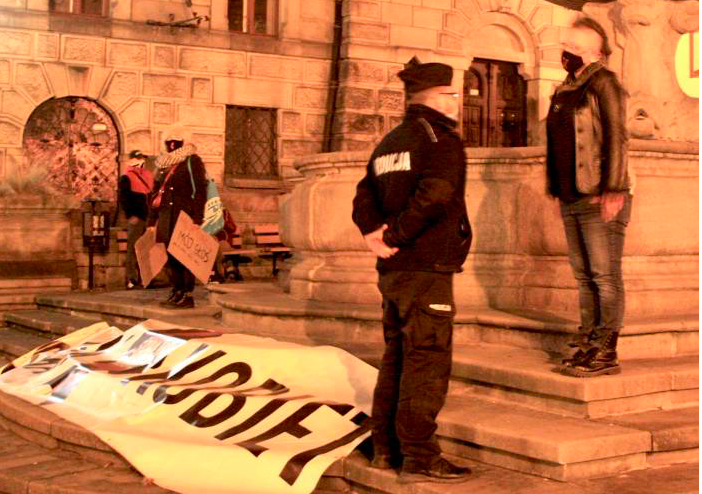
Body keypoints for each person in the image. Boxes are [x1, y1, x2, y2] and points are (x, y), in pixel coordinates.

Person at [351, 57, 473, 484]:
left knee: (397, 358)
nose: (458, 101)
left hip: (395, 270)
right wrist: (398, 235)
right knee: (426, 361)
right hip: (425, 265)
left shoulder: (391, 140)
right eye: (452, 94)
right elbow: (436, 194)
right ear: (435, 97)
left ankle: (385, 448)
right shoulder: (440, 140)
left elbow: (363, 194)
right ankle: (420, 454)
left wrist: (374, 234)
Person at [546, 17, 634, 377]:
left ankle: (605, 350)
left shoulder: (604, 82)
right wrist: (556, 188)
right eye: (566, 47)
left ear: (596, 52)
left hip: (599, 194)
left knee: (604, 275)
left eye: (576, 49)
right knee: (584, 277)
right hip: (571, 194)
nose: (568, 53)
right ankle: (588, 342)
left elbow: (617, 136)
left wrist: (613, 188)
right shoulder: (564, 89)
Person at [147, 129, 207, 309]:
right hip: (167, 216)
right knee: (170, 255)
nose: (171, 145)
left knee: (184, 255)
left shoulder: (192, 161)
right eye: (168, 141)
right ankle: (177, 289)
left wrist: (197, 218)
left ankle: (187, 294)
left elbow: (199, 191)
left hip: (184, 216)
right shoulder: (164, 164)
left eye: (175, 141)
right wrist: (152, 221)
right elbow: (156, 193)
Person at [118, 150, 154, 290]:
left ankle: (147, 278)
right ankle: (131, 279)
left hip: (148, 218)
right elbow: (124, 198)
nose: (141, 161)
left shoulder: (148, 176)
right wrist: (130, 215)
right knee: (133, 249)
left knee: (148, 249)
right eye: (139, 158)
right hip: (137, 218)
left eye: (142, 158)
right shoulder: (126, 177)